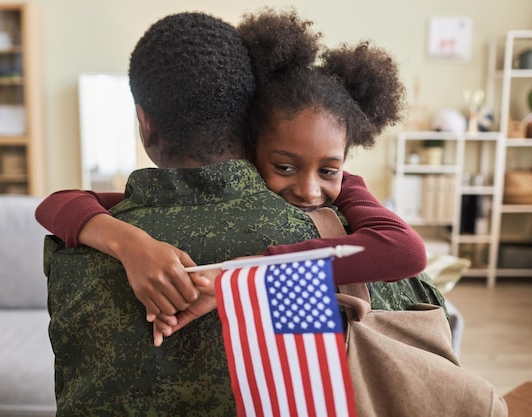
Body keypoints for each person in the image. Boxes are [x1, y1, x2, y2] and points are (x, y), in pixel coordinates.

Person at [45, 9, 444, 415]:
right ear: (250, 128)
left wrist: (134, 242)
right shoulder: (336, 234)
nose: (309, 190)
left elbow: (60, 204)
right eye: (286, 166)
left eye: (328, 170)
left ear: (145, 123)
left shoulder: (81, 247)